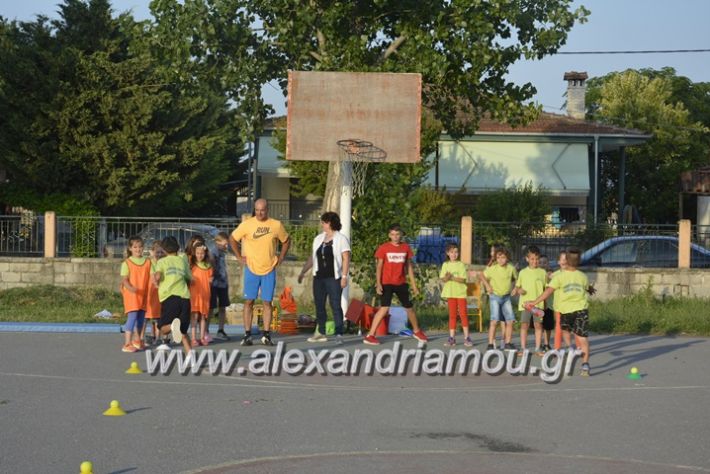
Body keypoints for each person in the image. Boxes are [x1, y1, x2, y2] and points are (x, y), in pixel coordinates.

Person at [229, 198, 290, 346]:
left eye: (262, 210)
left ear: (267, 210)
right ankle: (247, 334)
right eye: (257, 210)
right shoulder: (247, 225)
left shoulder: (276, 225)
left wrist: (281, 256)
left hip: (269, 268)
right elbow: (232, 238)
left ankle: (266, 334)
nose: (259, 213)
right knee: (249, 301)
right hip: (251, 268)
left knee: (267, 302)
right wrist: (238, 256)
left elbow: (286, 240)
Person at [525, 248, 592, 376]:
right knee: (581, 338)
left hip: (571, 311)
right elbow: (587, 288)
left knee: (568, 333)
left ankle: (574, 351)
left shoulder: (562, 276)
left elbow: (547, 292)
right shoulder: (582, 276)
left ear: (566, 261)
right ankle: (584, 363)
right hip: (576, 310)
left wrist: (534, 302)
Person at [364, 224, 428, 345]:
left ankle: (417, 331)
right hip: (387, 283)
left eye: (397, 234)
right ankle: (370, 335)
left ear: (401, 235)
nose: (395, 237)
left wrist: (414, 286)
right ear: (389, 235)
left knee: (409, 308)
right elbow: (379, 267)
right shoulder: (384, 248)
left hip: (401, 283)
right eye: (392, 234)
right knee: (384, 308)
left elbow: (409, 267)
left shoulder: (406, 248)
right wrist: (378, 284)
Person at [297, 212, 351, 344]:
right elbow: (312, 257)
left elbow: (346, 258)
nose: (322, 224)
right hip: (319, 278)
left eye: (324, 222)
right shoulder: (318, 238)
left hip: (334, 278)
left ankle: (339, 334)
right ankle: (320, 332)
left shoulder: (341, 238)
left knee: (335, 305)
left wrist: (344, 276)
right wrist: (303, 271)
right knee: (319, 305)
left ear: (331, 223)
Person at [153, 236, 192, 354]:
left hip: (170, 297)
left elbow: (158, 275)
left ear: (164, 250)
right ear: (177, 248)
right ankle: (190, 355)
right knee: (182, 331)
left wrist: (156, 281)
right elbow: (189, 278)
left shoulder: (162, 261)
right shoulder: (182, 261)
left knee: (163, 329)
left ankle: (171, 327)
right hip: (185, 298)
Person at [478, 246, 518, 351]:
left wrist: (515, 288)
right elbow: (481, 275)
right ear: (495, 258)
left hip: (506, 298)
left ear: (507, 258)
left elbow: (517, 279)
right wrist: (487, 286)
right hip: (495, 297)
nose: (501, 260)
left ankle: (508, 343)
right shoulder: (492, 269)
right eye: (498, 257)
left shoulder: (511, 268)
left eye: (503, 257)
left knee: (510, 321)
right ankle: (490, 344)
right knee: (494, 321)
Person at [512, 246, 546, 355]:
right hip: (525, 305)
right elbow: (517, 287)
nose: (535, 261)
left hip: (538, 305)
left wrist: (544, 304)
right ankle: (523, 348)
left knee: (538, 326)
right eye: (532, 259)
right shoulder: (522, 272)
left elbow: (546, 289)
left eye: (537, 259)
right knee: (524, 325)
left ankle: (537, 348)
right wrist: (518, 290)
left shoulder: (542, 272)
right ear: (527, 259)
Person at [120, 236, 150, 352]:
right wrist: (130, 288)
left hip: (143, 295)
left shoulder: (147, 262)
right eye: (135, 247)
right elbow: (124, 280)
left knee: (141, 319)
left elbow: (152, 276)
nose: (138, 249)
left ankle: (137, 340)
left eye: (140, 246)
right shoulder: (126, 263)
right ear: (130, 248)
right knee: (132, 317)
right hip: (131, 295)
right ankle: (127, 343)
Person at [440, 243, 471, 347]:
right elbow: (443, 279)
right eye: (452, 252)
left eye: (456, 252)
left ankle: (467, 338)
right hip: (450, 293)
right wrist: (446, 277)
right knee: (452, 315)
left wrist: (451, 277)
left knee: (463, 315)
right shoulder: (445, 265)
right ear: (447, 253)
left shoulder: (461, 264)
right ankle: (452, 338)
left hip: (460, 293)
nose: (454, 254)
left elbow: (462, 279)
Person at [189, 241, 213, 347]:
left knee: (203, 317)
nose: (200, 255)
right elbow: (188, 277)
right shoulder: (192, 265)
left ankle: (202, 337)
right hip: (194, 294)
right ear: (194, 253)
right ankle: (193, 338)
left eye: (202, 253)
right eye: (198, 253)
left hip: (205, 294)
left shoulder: (208, 266)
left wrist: (211, 279)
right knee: (194, 316)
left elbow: (211, 278)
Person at [142, 241, 165, 345]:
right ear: (152, 251)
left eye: (161, 252)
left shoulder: (163, 262)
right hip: (150, 292)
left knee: (158, 316)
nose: (159, 254)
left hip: (160, 292)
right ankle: (141, 337)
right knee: (147, 316)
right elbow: (153, 276)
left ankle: (157, 336)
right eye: (157, 252)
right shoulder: (149, 262)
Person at [210, 232, 231, 340]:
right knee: (211, 307)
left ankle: (221, 329)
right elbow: (212, 266)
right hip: (214, 283)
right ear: (218, 242)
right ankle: (206, 330)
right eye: (225, 244)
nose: (226, 246)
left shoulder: (223, 252)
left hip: (223, 283)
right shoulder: (213, 252)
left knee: (222, 307)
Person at [538, 254, 555, 351]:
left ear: (548, 264)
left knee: (547, 326)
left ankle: (546, 343)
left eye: (544, 262)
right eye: (540, 263)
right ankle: (539, 343)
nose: (542, 264)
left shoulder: (552, 275)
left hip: (549, 305)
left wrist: (549, 277)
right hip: (539, 304)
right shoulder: (536, 274)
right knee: (539, 325)